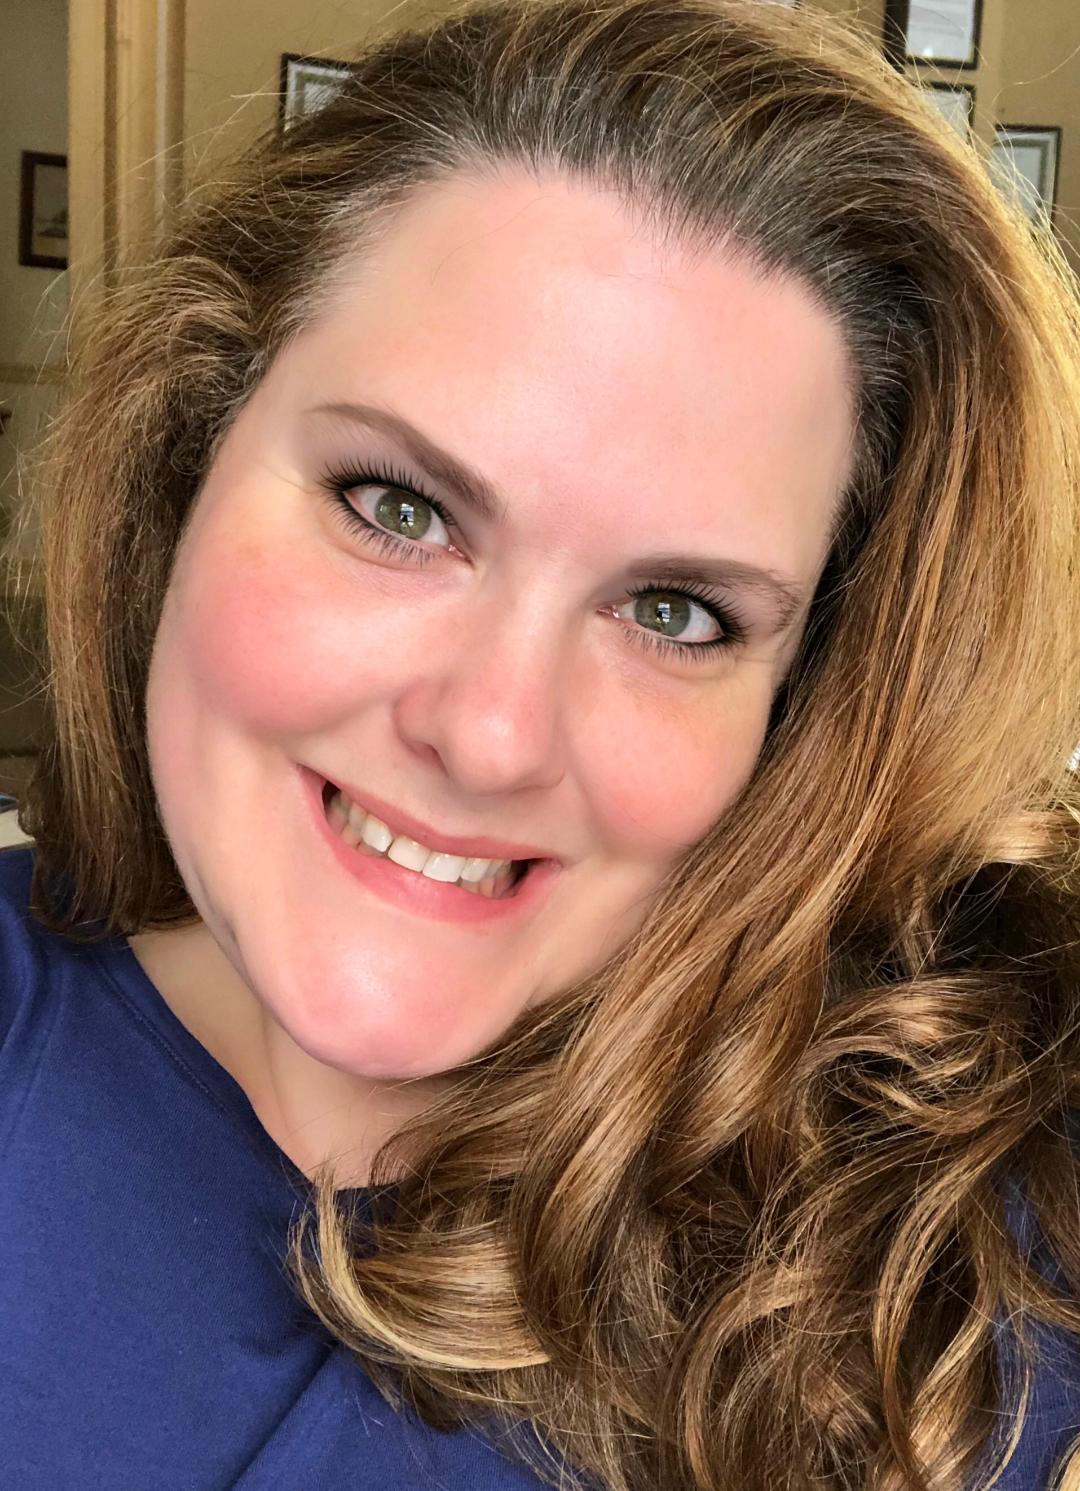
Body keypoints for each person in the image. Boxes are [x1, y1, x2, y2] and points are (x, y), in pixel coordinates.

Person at [2, 0, 1079, 1485]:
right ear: (188, 450)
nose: (493, 734)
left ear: (801, 700)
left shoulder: (969, 1213)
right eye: (398, 509)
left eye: (674, 612)